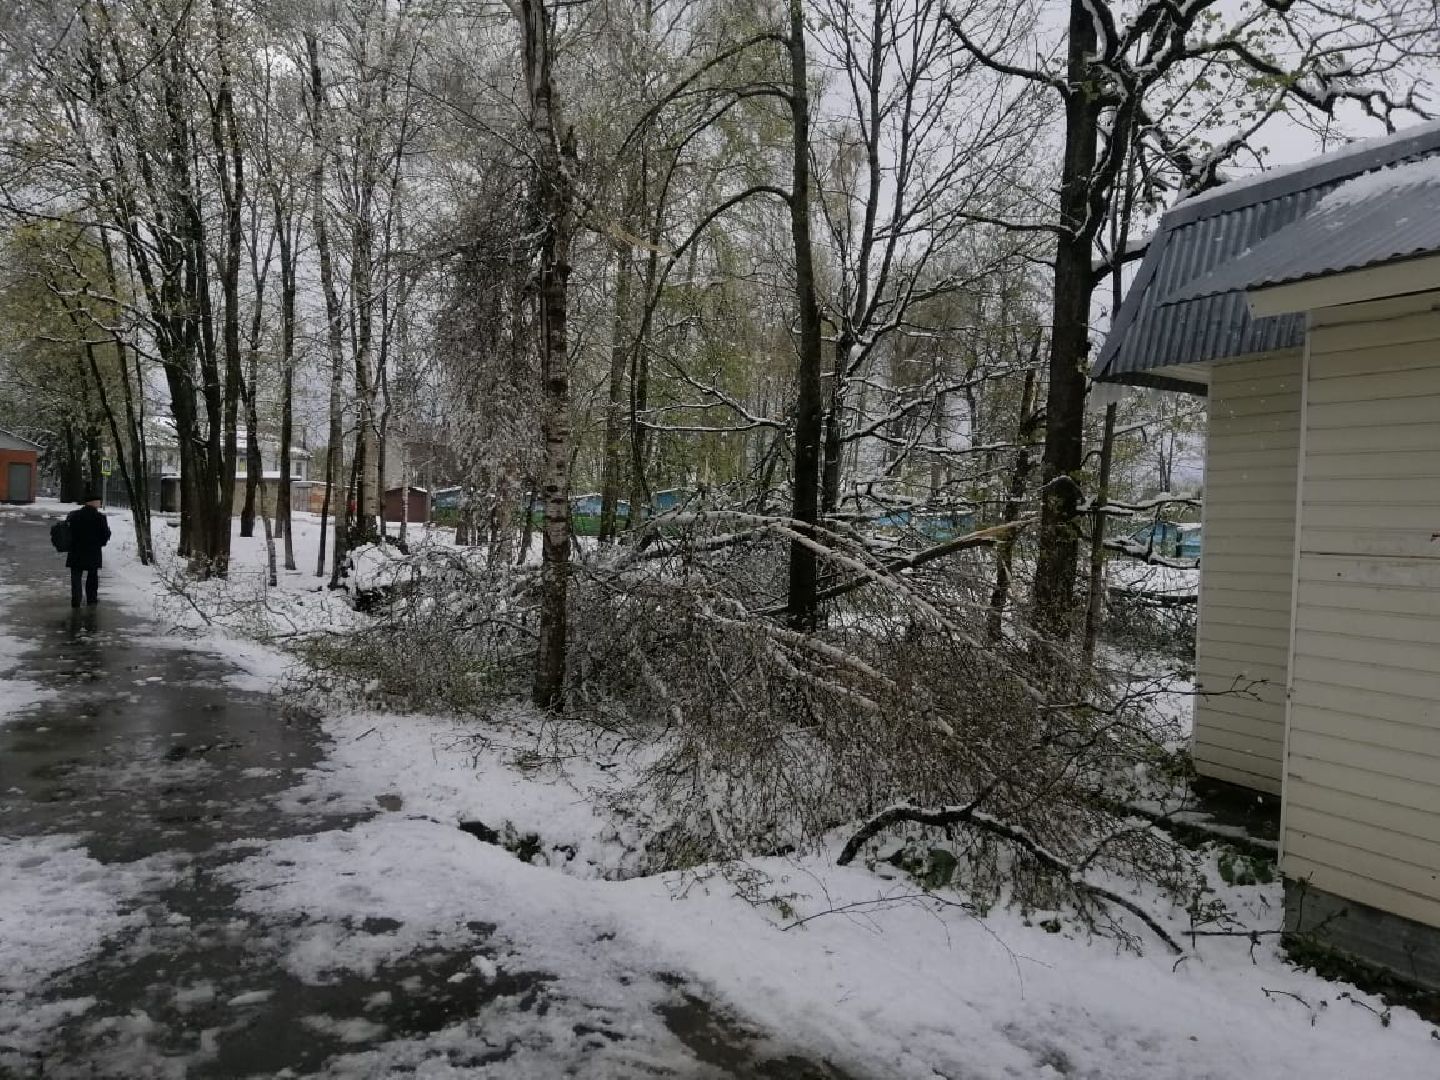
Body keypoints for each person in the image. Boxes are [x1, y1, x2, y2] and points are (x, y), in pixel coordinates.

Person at [66, 492, 111, 608]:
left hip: (75, 551)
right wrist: (100, 543)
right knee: (92, 576)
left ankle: (76, 600)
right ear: (94, 503)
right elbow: (105, 535)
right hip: (93, 552)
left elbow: (67, 532)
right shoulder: (100, 518)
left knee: (76, 576)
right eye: (99, 502)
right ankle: (91, 599)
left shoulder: (74, 515)